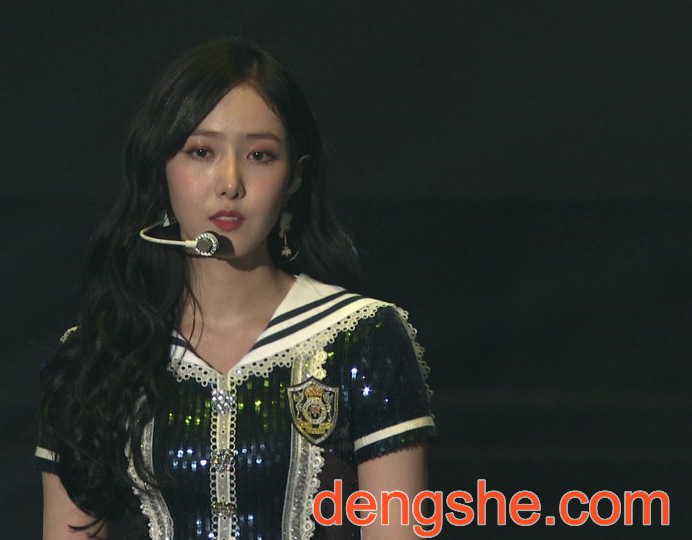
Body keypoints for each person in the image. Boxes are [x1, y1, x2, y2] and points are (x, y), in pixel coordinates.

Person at [36, 38, 436, 539]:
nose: (229, 183)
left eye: (260, 155)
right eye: (201, 152)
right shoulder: (99, 353)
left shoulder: (362, 336)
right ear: (161, 168)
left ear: (295, 177)